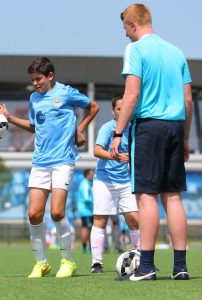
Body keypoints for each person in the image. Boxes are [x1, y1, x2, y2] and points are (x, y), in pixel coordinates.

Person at [0, 56, 99, 278]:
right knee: (33, 214)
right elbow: (34, 126)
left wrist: (79, 130)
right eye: (32, 80)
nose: (35, 83)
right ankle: (41, 263)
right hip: (40, 162)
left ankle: (67, 261)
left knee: (57, 211)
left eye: (38, 79)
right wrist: (9, 117)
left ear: (50, 76)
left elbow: (94, 107)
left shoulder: (66, 93)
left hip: (63, 159)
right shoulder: (34, 98)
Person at [110, 4, 193, 281]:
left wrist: (118, 132)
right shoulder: (177, 52)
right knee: (173, 197)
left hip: (149, 128)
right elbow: (188, 101)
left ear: (133, 24)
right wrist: (184, 137)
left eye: (125, 29)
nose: (126, 35)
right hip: (175, 126)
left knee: (147, 197)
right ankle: (180, 267)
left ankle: (145, 266)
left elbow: (131, 95)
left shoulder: (135, 50)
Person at [90, 93, 139, 273]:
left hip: (126, 181)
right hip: (105, 180)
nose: (123, 110)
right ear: (113, 111)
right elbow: (96, 151)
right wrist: (116, 157)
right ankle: (96, 263)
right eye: (119, 108)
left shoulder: (135, 129)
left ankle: (138, 257)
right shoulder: (107, 128)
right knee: (100, 220)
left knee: (135, 220)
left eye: (126, 107)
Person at [76, 169, 94, 253]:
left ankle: (87, 247)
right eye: (91, 174)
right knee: (86, 228)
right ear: (87, 175)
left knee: (87, 228)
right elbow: (87, 198)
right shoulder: (85, 184)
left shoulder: (86, 183)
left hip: (86, 210)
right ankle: (86, 248)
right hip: (87, 210)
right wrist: (95, 203)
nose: (93, 176)